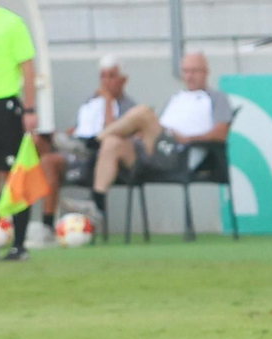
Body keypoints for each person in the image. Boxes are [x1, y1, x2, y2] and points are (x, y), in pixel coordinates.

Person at [88, 52, 232, 221]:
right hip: (154, 150)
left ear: (206, 72)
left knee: (144, 112)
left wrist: (187, 138)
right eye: (186, 71)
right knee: (112, 143)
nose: (189, 76)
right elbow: (159, 125)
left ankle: (93, 141)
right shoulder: (176, 98)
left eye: (194, 71)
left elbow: (221, 133)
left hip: (179, 153)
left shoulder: (217, 98)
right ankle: (97, 205)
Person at [35, 57, 135, 251]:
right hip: (75, 150)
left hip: (99, 157)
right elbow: (77, 128)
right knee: (44, 155)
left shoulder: (128, 107)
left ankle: (93, 210)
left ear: (123, 80)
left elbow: (111, 131)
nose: (106, 81)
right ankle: (45, 225)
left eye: (111, 76)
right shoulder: (90, 103)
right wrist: (61, 136)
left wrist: (108, 101)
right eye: (102, 76)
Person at [0, 0, 38, 261]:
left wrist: (30, 110)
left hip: (5, 107)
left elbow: (28, 70)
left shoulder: (11, 23)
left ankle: (19, 244)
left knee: (14, 174)